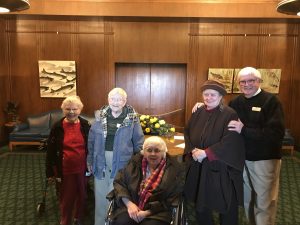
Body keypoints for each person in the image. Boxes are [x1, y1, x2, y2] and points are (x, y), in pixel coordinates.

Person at [227, 67, 285, 225]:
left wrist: (244, 129)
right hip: (242, 159)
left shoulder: (271, 101)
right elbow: (224, 119)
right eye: (243, 81)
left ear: (259, 81)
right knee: (248, 200)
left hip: (264, 160)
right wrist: (202, 106)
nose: (247, 84)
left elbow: (275, 134)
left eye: (251, 80)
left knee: (264, 202)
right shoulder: (236, 102)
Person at [184, 80, 245, 225]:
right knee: (201, 200)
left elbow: (231, 140)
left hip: (220, 166)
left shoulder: (230, 114)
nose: (208, 97)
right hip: (199, 163)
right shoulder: (198, 111)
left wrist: (207, 153)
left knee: (225, 202)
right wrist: (193, 150)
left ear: (220, 97)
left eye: (213, 95)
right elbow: (187, 132)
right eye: (206, 94)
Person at [87, 87, 144, 225]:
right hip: (100, 159)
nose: (116, 102)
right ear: (108, 100)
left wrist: (138, 163)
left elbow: (138, 142)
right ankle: (100, 222)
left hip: (122, 162)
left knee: (117, 193)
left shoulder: (132, 118)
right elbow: (91, 140)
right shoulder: (100, 117)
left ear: (125, 101)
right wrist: (89, 159)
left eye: (119, 99)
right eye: (113, 99)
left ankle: (113, 222)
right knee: (100, 195)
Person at [109, 136, 185, 225]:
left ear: (164, 153)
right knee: (122, 222)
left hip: (158, 212)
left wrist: (146, 213)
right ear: (144, 152)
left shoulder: (174, 170)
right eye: (149, 150)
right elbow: (120, 183)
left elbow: (171, 198)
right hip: (131, 206)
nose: (153, 154)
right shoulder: (133, 164)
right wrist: (130, 205)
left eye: (157, 150)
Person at [46, 96, 91, 225]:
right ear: (63, 110)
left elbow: (91, 146)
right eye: (68, 109)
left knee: (82, 194)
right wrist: (49, 171)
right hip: (64, 168)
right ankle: (65, 219)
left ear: (80, 110)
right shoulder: (57, 127)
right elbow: (50, 150)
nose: (71, 112)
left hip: (83, 167)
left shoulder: (85, 125)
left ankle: (78, 217)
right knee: (66, 196)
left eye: (74, 109)